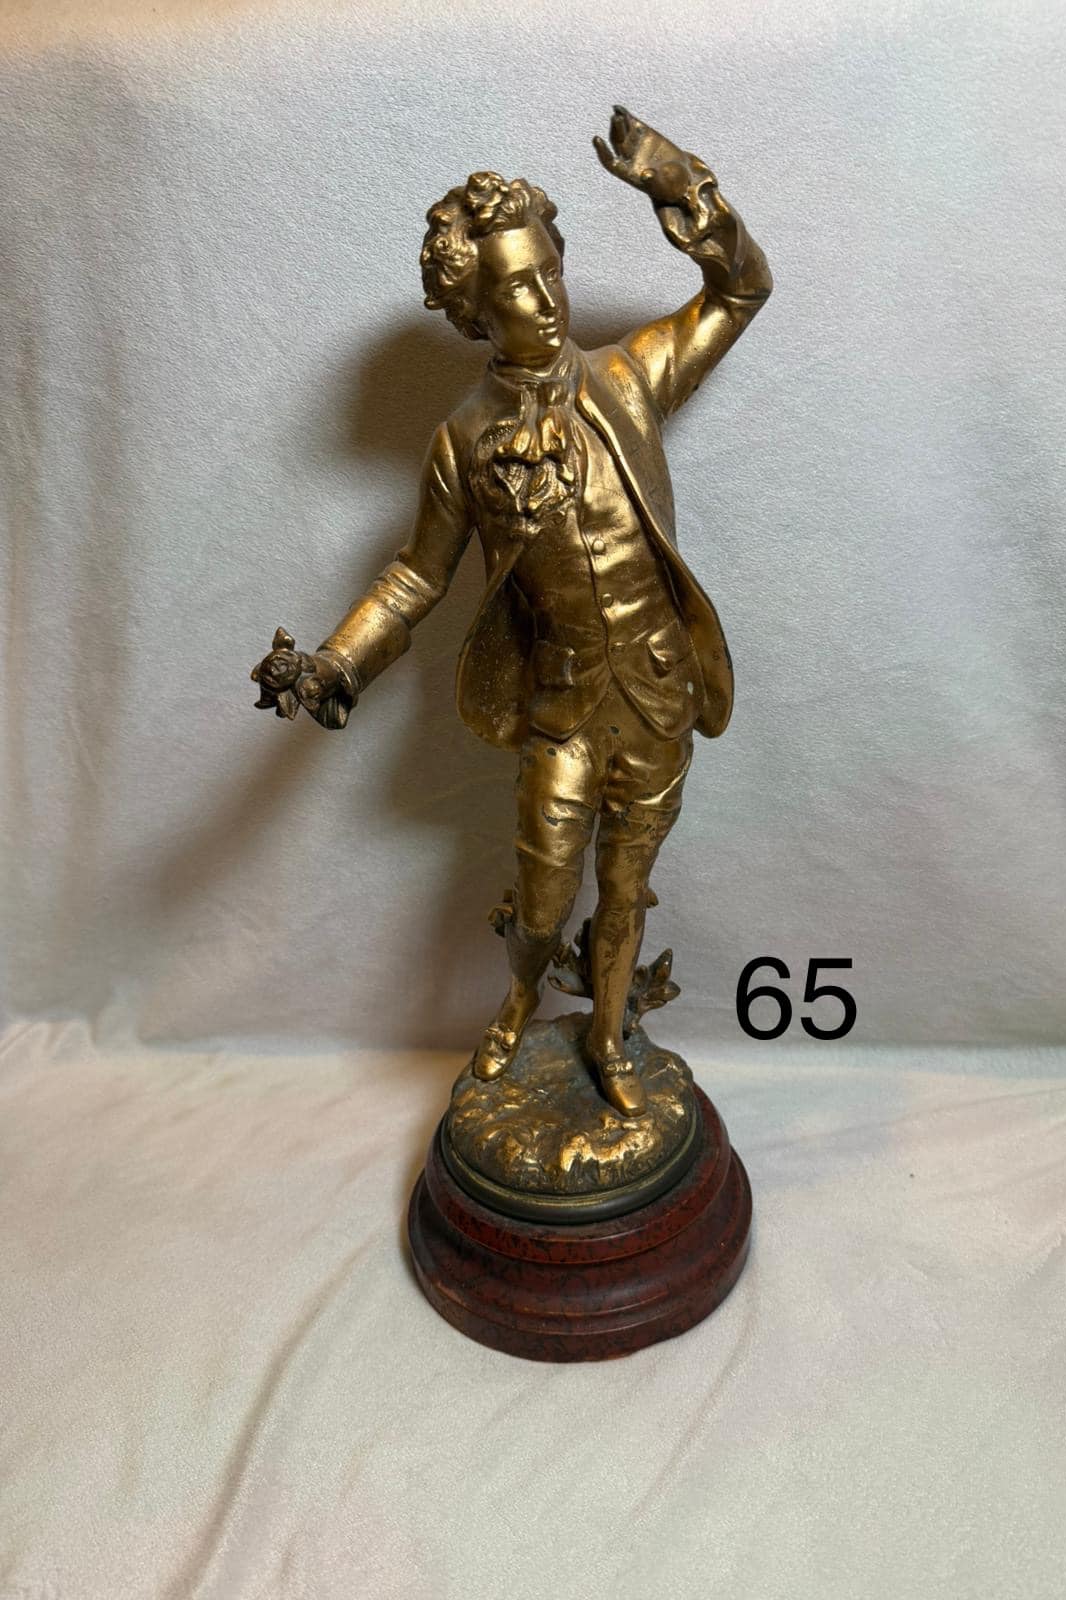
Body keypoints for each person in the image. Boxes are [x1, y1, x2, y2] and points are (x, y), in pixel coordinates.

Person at [252, 107, 772, 1118]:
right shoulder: (460, 442)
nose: (547, 299)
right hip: (562, 706)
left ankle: (610, 1033)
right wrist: (337, 663)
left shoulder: (630, 377)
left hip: (659, 690)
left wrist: (683, 189)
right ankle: (524, 995)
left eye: (550, 272)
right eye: (517, 289)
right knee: (543, 894)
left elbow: (741, 290)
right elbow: (415, 578)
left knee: (626, 886)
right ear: (475, 313)